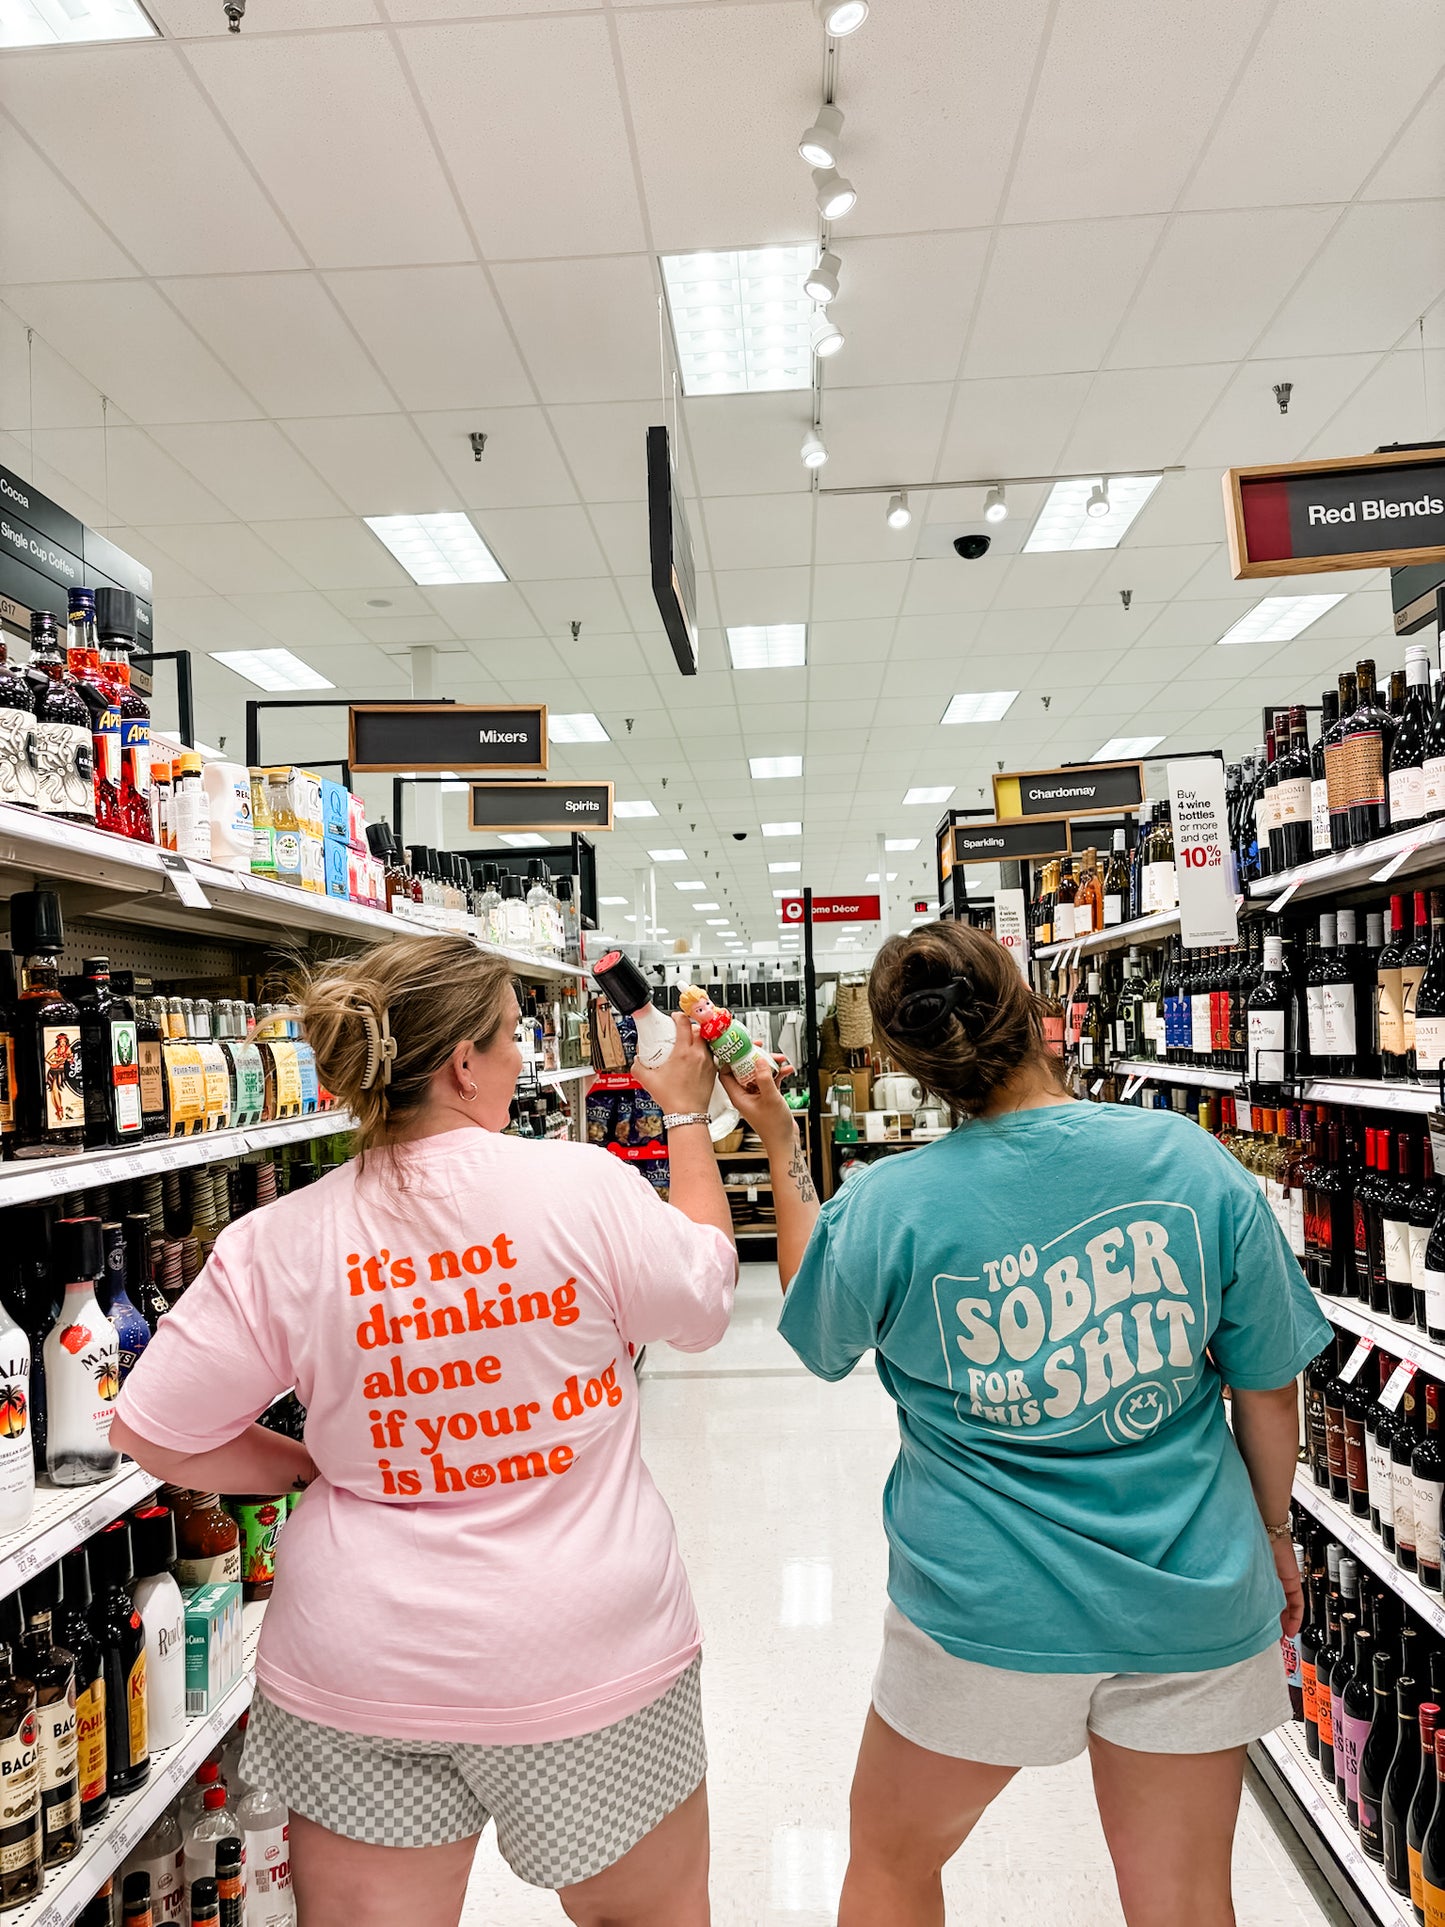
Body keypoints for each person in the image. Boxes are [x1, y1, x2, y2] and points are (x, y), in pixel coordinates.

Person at [110, 932, 776, 1927]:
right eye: (511, 1036)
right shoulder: (579, 1187)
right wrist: (684, 1112)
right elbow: (702, 1300)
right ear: (463, 1062)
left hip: (359, 1671)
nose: (519, 1055)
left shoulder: (281, 1239)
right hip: (586, 1656)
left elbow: (155, 1428)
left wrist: (307, 1468)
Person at [725, 920, 1331, 1927]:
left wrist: (783, 1144)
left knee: (889, 1859)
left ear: (906, 1061)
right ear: (1033, 1010)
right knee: (1181, 1900)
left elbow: (816, 1322)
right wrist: (1273, 1536)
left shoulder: (891, 1203)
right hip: (1189, 1589)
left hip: (982, 1606)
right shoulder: (1185, 1159)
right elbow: (1263, 1385)